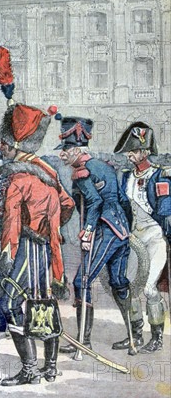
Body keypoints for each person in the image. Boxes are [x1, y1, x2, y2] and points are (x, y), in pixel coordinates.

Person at [0, 46, 74, 386]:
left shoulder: (16, 178)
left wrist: (4, 253)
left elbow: (10, 221)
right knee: (44, 301)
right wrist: (50, 226)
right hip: (46, 250)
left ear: (13, 145)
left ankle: (30, 370)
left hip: (23, 249)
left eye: (4, 144)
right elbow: (67, 206)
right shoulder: (48, 171)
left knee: (16, 301)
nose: (0, 148)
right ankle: (50, 367)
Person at [56, 116, 137, 355]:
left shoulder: (81, 173)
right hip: (121, 230)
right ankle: (133, 337)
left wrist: (88, 230)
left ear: (77, 150)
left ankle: (84, 341)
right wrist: (127, 230)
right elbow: (123, 201)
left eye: (66, 149)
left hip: (105, 228)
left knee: (82, 281)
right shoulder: (105, 167)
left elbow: (94, 202)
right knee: (119, 283)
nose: (63, 154)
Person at [112, 122, 169, 353]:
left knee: (148, 288)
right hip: (134, 239)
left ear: (144, 152)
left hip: (155, 237)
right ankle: (134, 335)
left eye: (133, 151)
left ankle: (156, 337)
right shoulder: (125, 177)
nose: (129, 155)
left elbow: (166, 211)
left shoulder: (160, 176)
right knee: (129, 287)